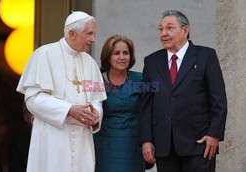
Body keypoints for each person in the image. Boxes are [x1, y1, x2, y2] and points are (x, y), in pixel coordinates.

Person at [16, 11, 107, 172]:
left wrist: (95, 114)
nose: (93, 39)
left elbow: (96, 100)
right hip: (52, 139)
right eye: (89, 34)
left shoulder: (90, 63)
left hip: (82, 141)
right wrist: (69, 110)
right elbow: (32, 99)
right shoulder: (43, 54)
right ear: (72, 34)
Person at [139, 10, 227, 172]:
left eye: (169, 28)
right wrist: (146, 140)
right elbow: (146, 105)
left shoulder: (205, 56)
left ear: (185, 30)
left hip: (200, 144)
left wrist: (214, 134)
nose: (163, 33)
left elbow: (219, 100)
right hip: (164, 146)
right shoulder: (151, 62)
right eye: (160, 29)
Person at [93, 34, 145, 172]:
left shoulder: (141, 80)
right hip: (103, 147)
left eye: (126, 53)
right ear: (108, 57)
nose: (122, 57)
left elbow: (150, 111)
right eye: (116, 53)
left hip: (133, 147)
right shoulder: (95, 80)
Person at [8, 103, 32, 172]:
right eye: (31, 113)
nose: (35, 117)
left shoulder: (53, 138)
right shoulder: (17, 143)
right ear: (25, 116)